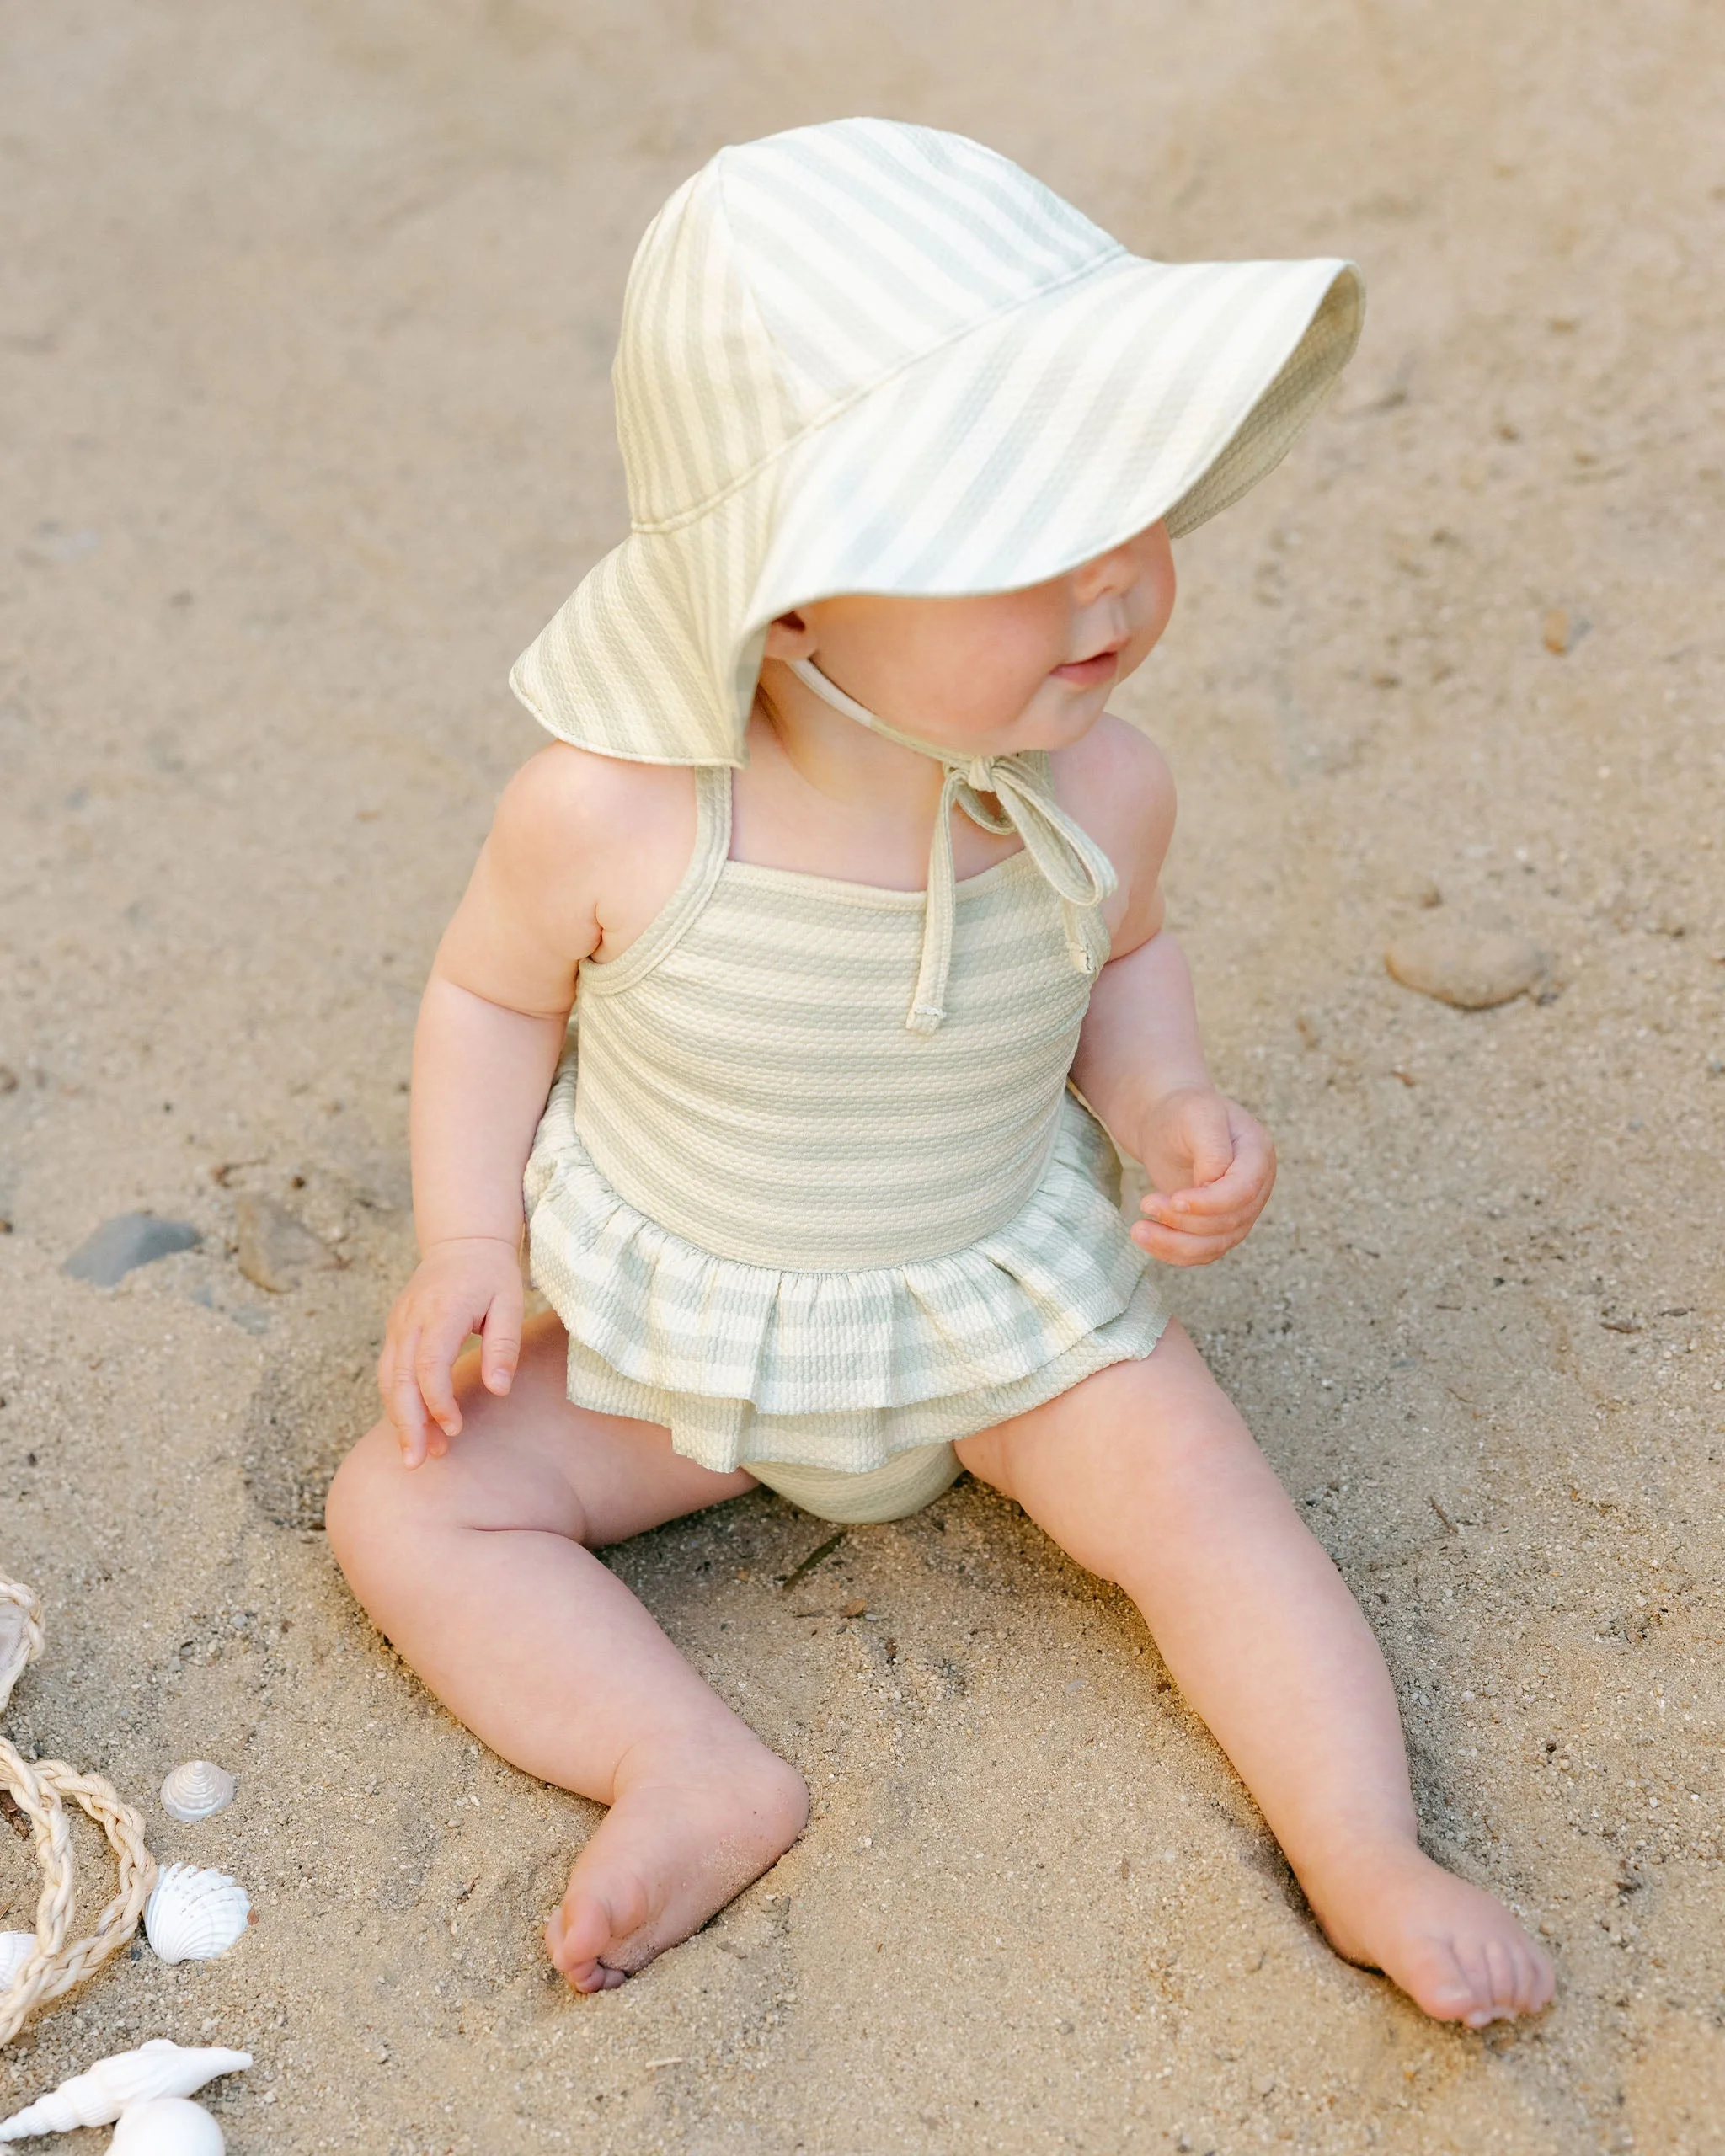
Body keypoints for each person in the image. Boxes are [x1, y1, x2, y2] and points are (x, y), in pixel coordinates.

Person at [326, 119, 1554, 2026]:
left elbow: (1120, 957)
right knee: (404, 1504)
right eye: (1020, 551)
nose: (1110, 596)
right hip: (684, 1335)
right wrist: (465, 1233)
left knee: (1215, 1511)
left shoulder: (1104, 788)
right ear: (789, 598)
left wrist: (1164, 1107)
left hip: (1001, 1306)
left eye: (1126, 518)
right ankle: (686, 1763)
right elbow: (488, 1004)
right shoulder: (618, 818)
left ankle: (1365, 1847)